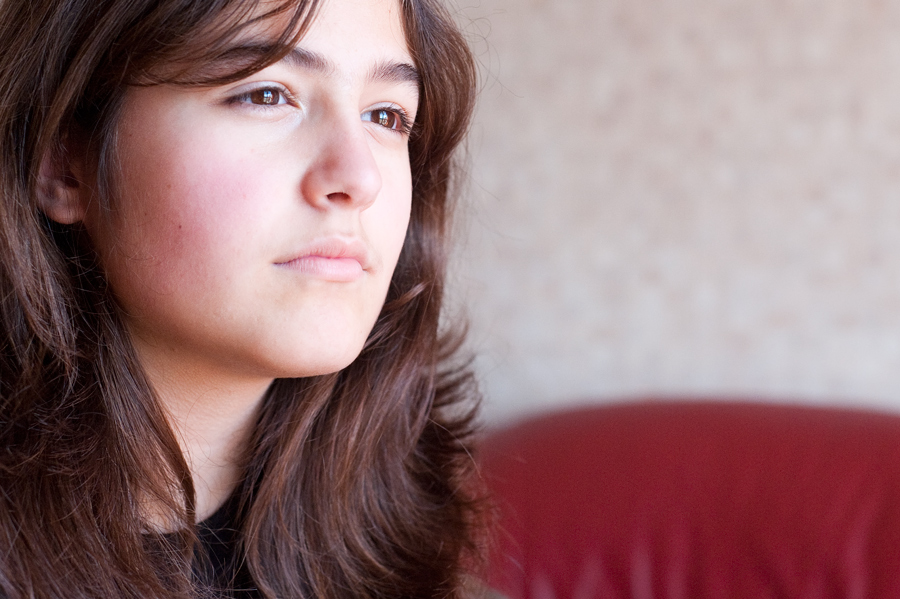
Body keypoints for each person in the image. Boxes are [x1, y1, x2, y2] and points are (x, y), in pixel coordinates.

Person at [0, 0, 485, 596]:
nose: (361, 179)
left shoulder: (418, 550)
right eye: (266, 94)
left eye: (386, 115)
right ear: (63, 163)